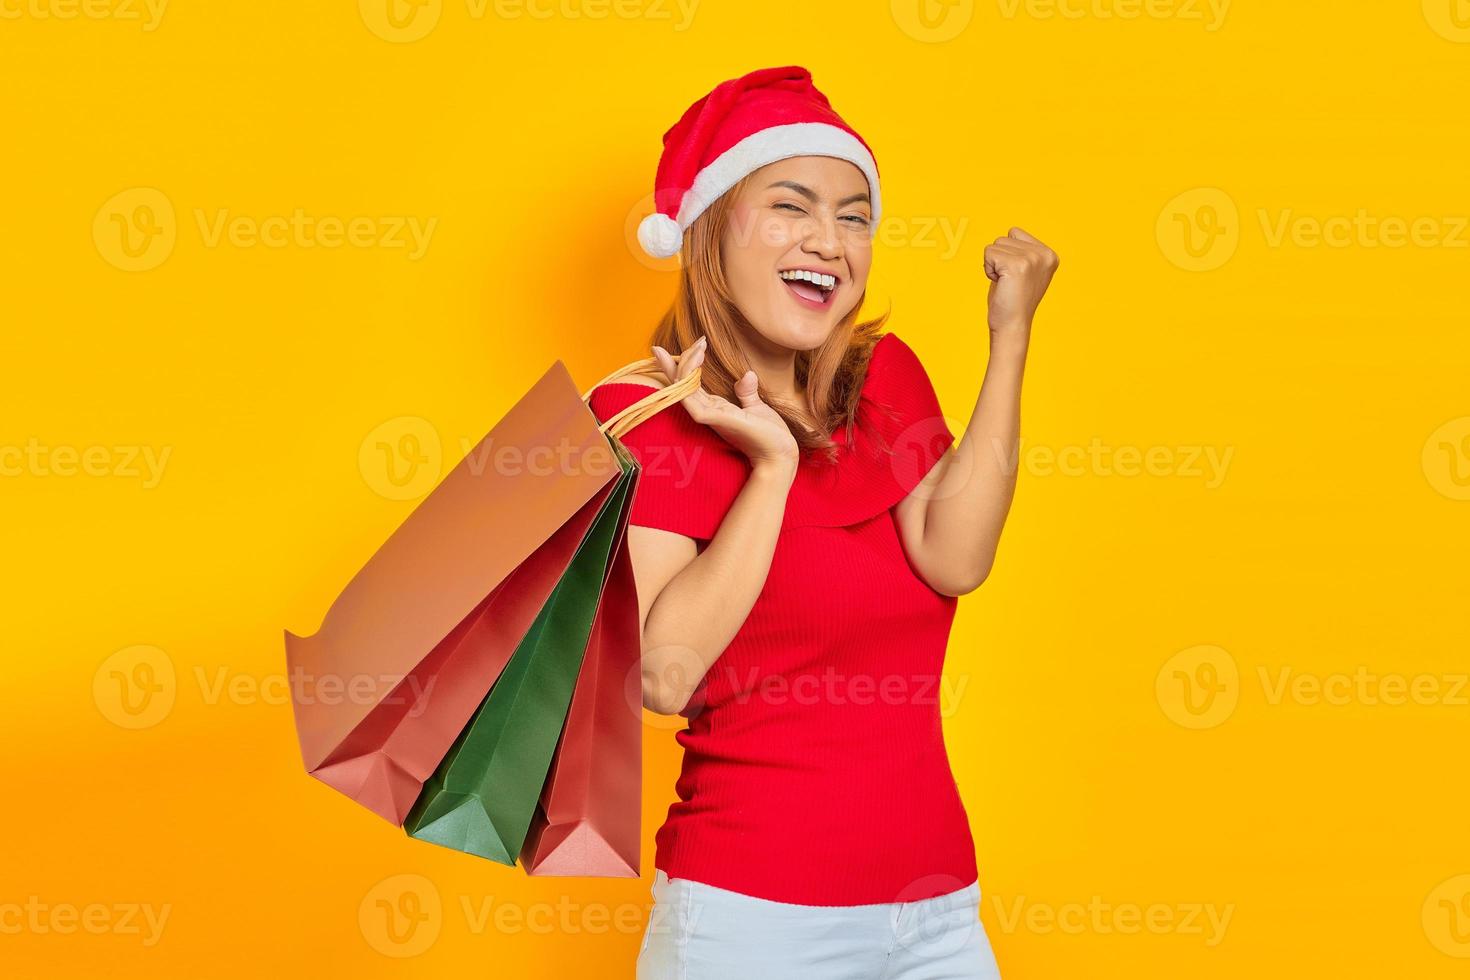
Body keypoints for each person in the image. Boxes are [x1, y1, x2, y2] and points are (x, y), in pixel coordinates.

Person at [586, 65, 1058, 980]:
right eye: (792, 206)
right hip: (751, 923)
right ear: (713, 228)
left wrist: (1010, 338)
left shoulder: (885, 380)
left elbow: (955, 560)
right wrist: (772, 469)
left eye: (853, 215)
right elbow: (664, 676)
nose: (830, 241)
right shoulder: (646, 411)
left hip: (938, 912)